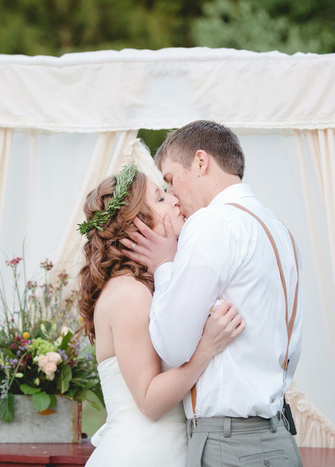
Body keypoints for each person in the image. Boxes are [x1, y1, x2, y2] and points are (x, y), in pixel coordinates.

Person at [122, 120, 303, 467]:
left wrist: (163, 265)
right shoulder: (279, 231)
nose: (173, 196)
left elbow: (172, 348)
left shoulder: (213, 223)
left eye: (172, 180)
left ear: (201, 162)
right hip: (277, 438)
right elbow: (292, 349)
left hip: (231, 445)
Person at [77, 165, 246, 467]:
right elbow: (150, 401)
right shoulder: (129, 293)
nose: (174, 200)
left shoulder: (151, 284)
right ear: (135, 226)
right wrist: (207, 347)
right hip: (141, 456)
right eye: (159, 198)